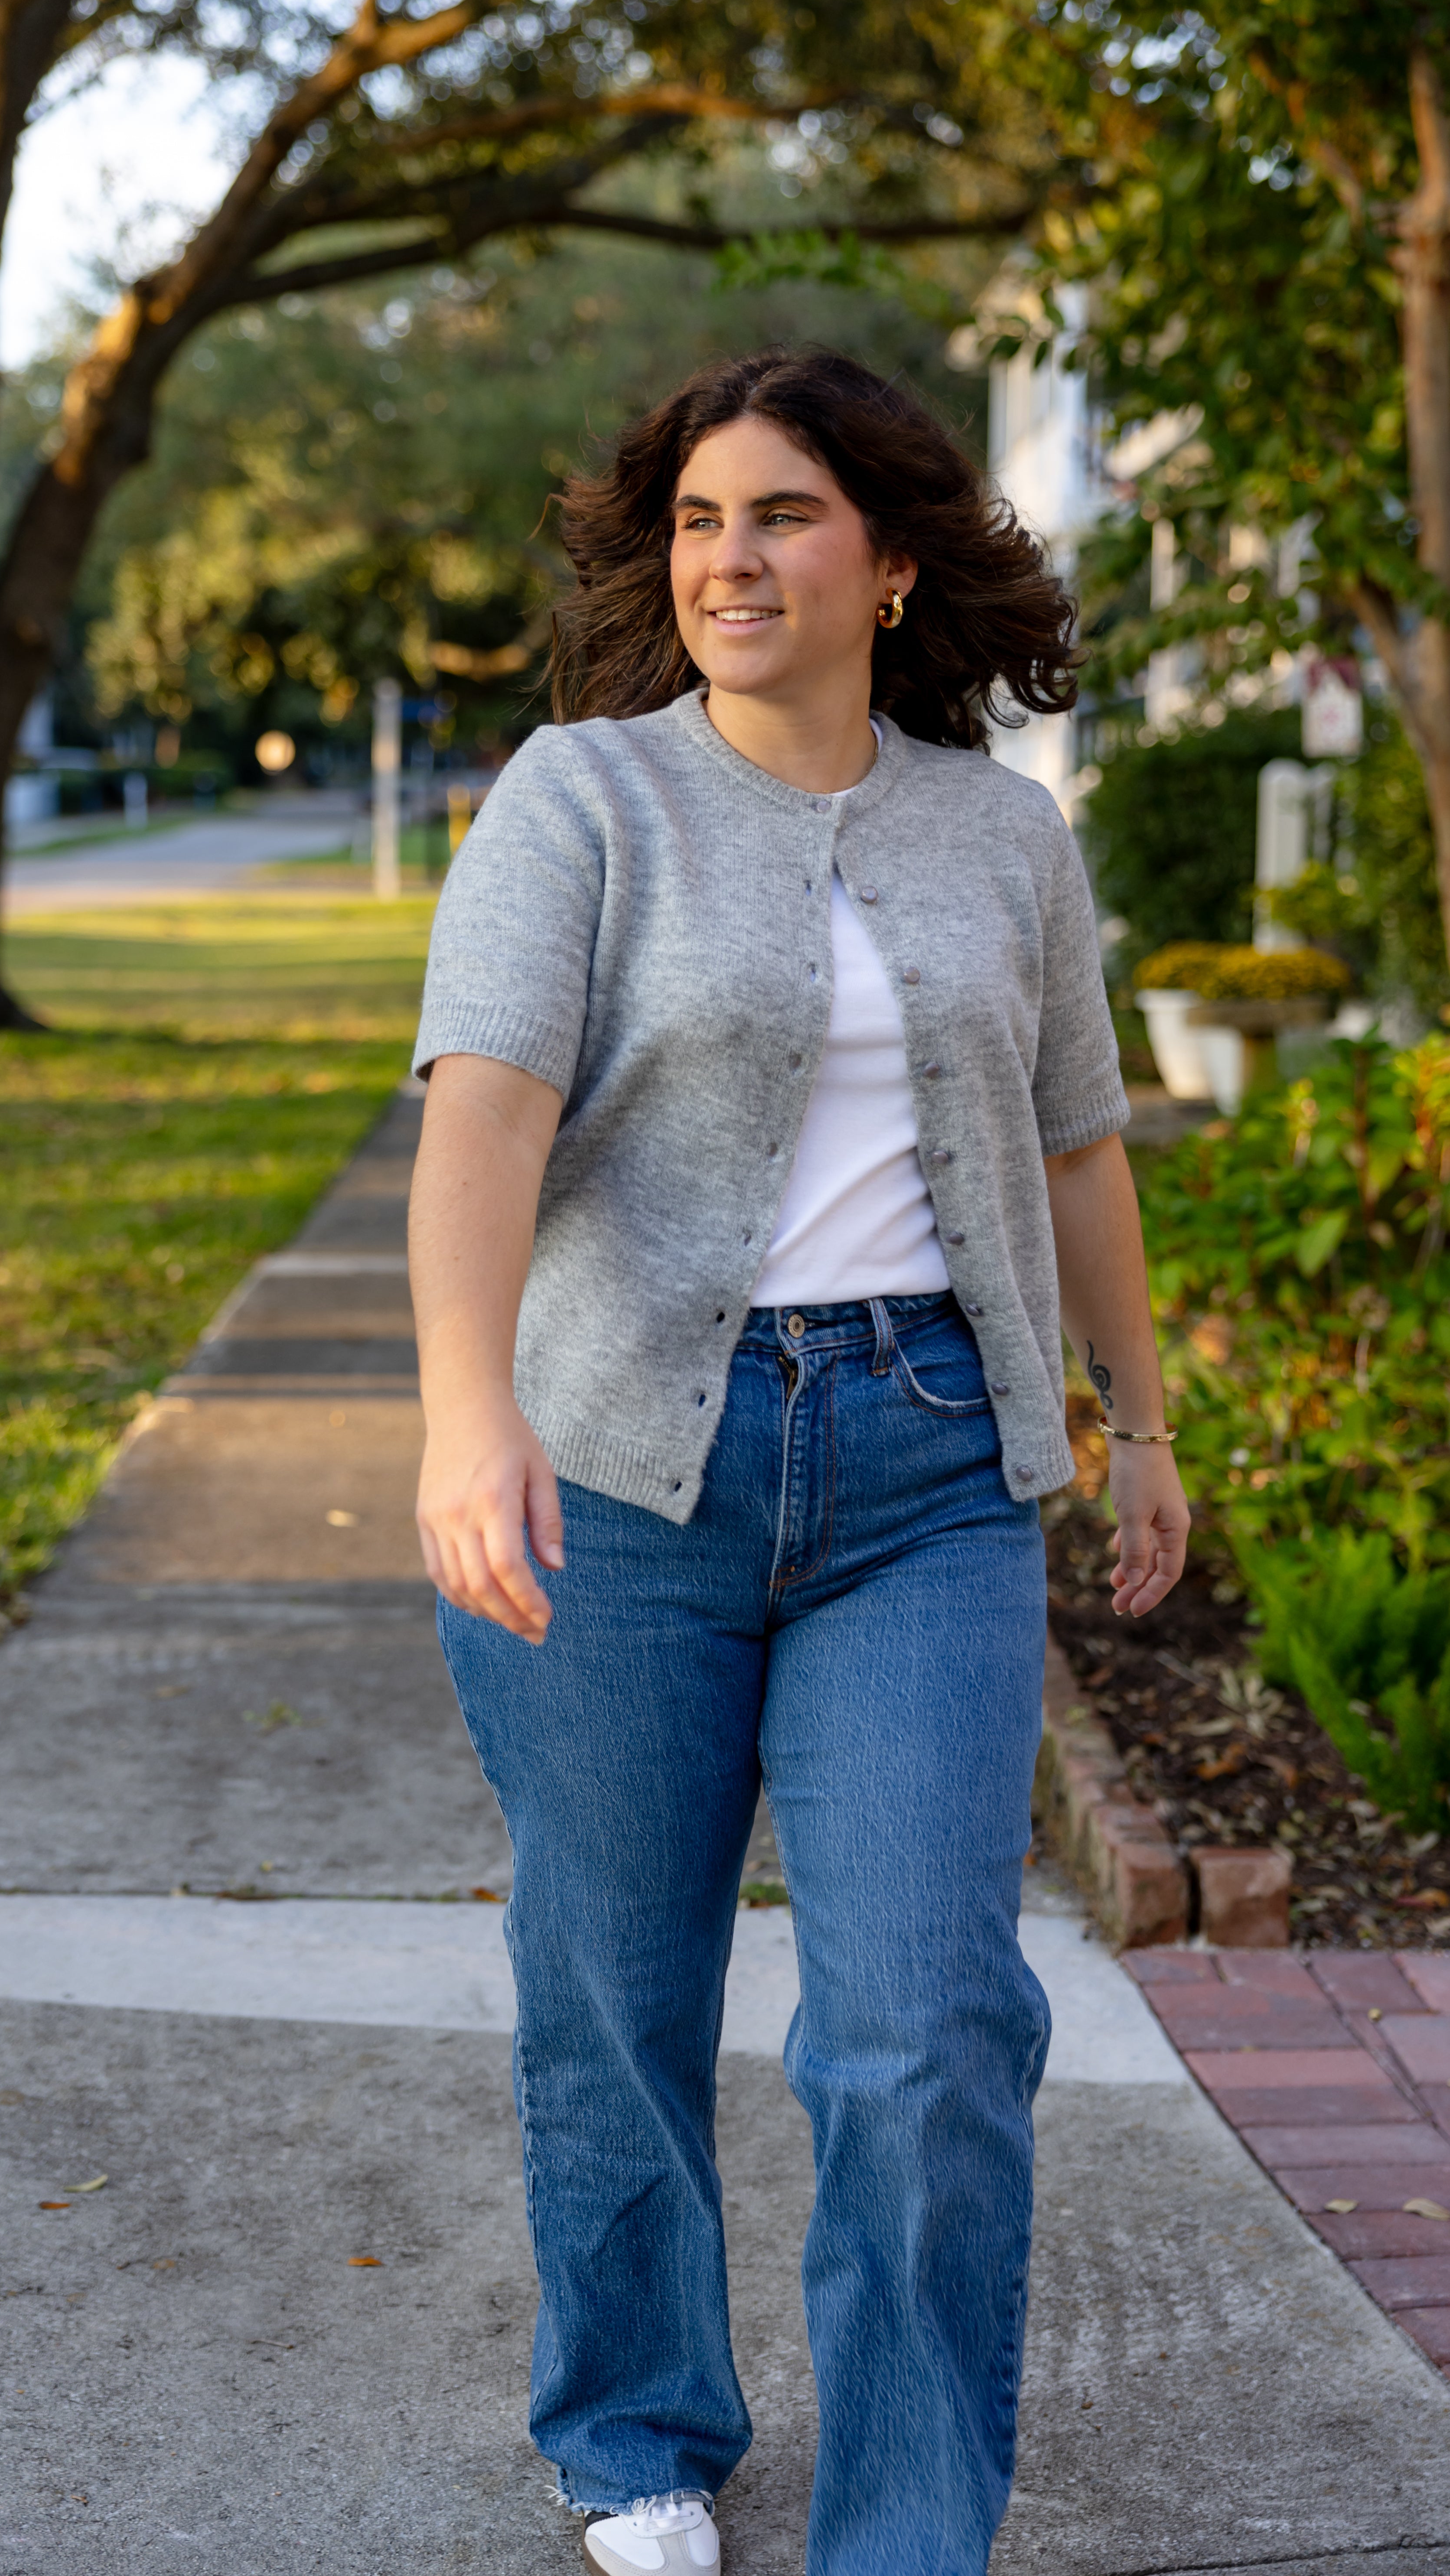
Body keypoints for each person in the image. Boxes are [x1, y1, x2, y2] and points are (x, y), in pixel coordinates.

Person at [407, 345, 1188, 2576]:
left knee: (927, 2022)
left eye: (782, 517)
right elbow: (483, 1117)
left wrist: (1140, 1427)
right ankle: (642, 2435)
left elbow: (1078, 1145)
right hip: (624, 1468)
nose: (730, 560)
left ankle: (907, 2527)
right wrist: (471, 1416)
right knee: (616, 1986)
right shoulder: (582, 800)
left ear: (892, 563)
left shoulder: (1001, 832)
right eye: (698, 524)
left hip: (928, 1463)